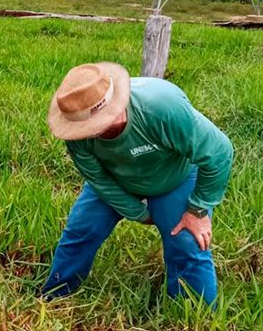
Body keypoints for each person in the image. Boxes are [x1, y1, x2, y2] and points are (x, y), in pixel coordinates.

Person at [43, 62, 233, 307]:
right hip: (116, 178)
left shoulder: (162, 107)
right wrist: (139, 213)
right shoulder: (77, 131)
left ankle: (194, 321)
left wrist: (198, 209)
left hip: (174, 176)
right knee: (81, 229)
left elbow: (219, 152)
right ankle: (55, 297)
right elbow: (99, 179)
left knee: (186, 242)